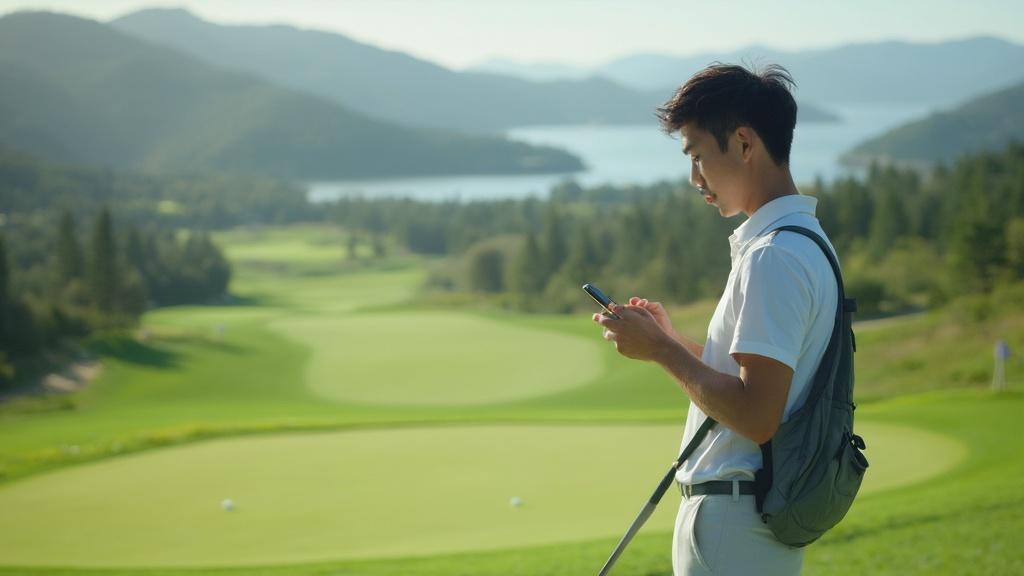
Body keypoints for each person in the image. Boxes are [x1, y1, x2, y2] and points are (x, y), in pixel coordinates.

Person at [593, 64, 839, 576]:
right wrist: (669, 341)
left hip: (735, 522)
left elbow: (756, 415)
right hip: (741, 521)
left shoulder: (775, 256)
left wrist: (662, 351)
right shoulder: (799, 242)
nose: (694, 178)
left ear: (745, 143)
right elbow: (752, 382)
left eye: (699, 155)